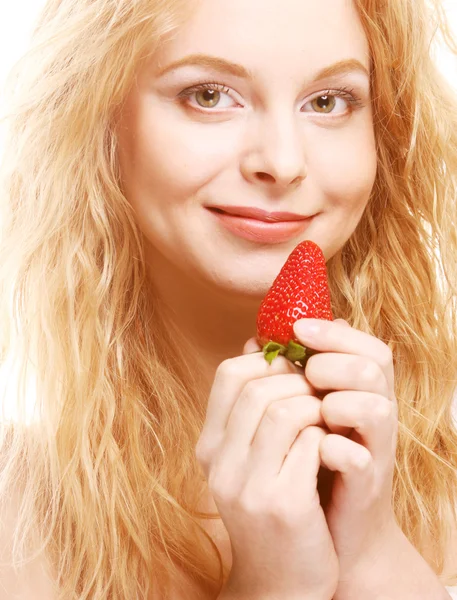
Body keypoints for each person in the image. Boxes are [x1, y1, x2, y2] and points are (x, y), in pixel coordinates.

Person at [0, 0, 457, 598]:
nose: (283, 162)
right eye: (210, 95)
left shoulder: (442, 479)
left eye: (328, 101)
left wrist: (371, 554)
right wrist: (273, 583)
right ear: (98, 116)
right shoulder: (19, 519)